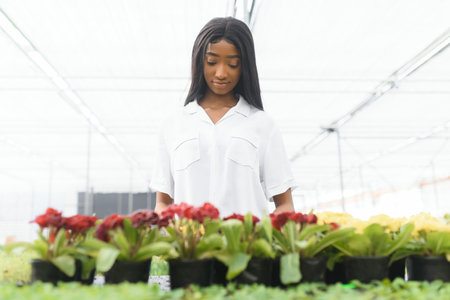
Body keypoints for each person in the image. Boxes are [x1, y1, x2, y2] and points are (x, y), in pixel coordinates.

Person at [150, 17, 296, 217]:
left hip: (247, 247)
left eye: (233, 64)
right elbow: (163, 203)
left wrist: (262, 236)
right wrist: (177, 234)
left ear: (245, 66)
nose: (221, 73)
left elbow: (285, 205)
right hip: (191, 247)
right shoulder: (174, 125)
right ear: (199, 61)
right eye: (212, 62)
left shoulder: (262, 125)